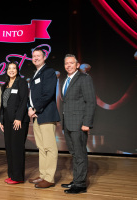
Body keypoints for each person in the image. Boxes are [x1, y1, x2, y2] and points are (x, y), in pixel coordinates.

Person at [61, 54, 96, 194]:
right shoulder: (67, 79)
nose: (68, 65)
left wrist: (87, 123)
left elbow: (91, 102)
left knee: (80, 154)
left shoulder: (84, 78)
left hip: (79, 124)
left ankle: (80, 184)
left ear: (77, 65)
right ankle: (76, 180)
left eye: (71, 63)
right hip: (68, 123)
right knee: (74, 153)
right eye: (66, 63)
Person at [28, 48, 60, 188]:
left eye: (38, 56)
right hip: (37, 116)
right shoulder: (36, 73)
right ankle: (43, 175)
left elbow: (48, 94)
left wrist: (35, 108)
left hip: (46, 114)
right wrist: (30, 107)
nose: (35, 58)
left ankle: (50, 178)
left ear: (44, 57)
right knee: (41, 147)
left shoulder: (49, 72)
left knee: (50, 147)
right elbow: (32, 96)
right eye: (33, 56)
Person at [0, 61, 30, 184]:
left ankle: (18, 177)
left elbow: (24, 101)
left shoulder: (21, 82)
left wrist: (18, 118)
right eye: (9, 68)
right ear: (6, 71)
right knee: (10, 148)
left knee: (17, 148)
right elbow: (3, 105)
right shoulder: (5, 85)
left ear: (17, 70)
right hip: (7, 119)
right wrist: (1, 120)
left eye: (14, 68)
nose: (11, 70)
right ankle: (11, 175)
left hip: (18, 120)